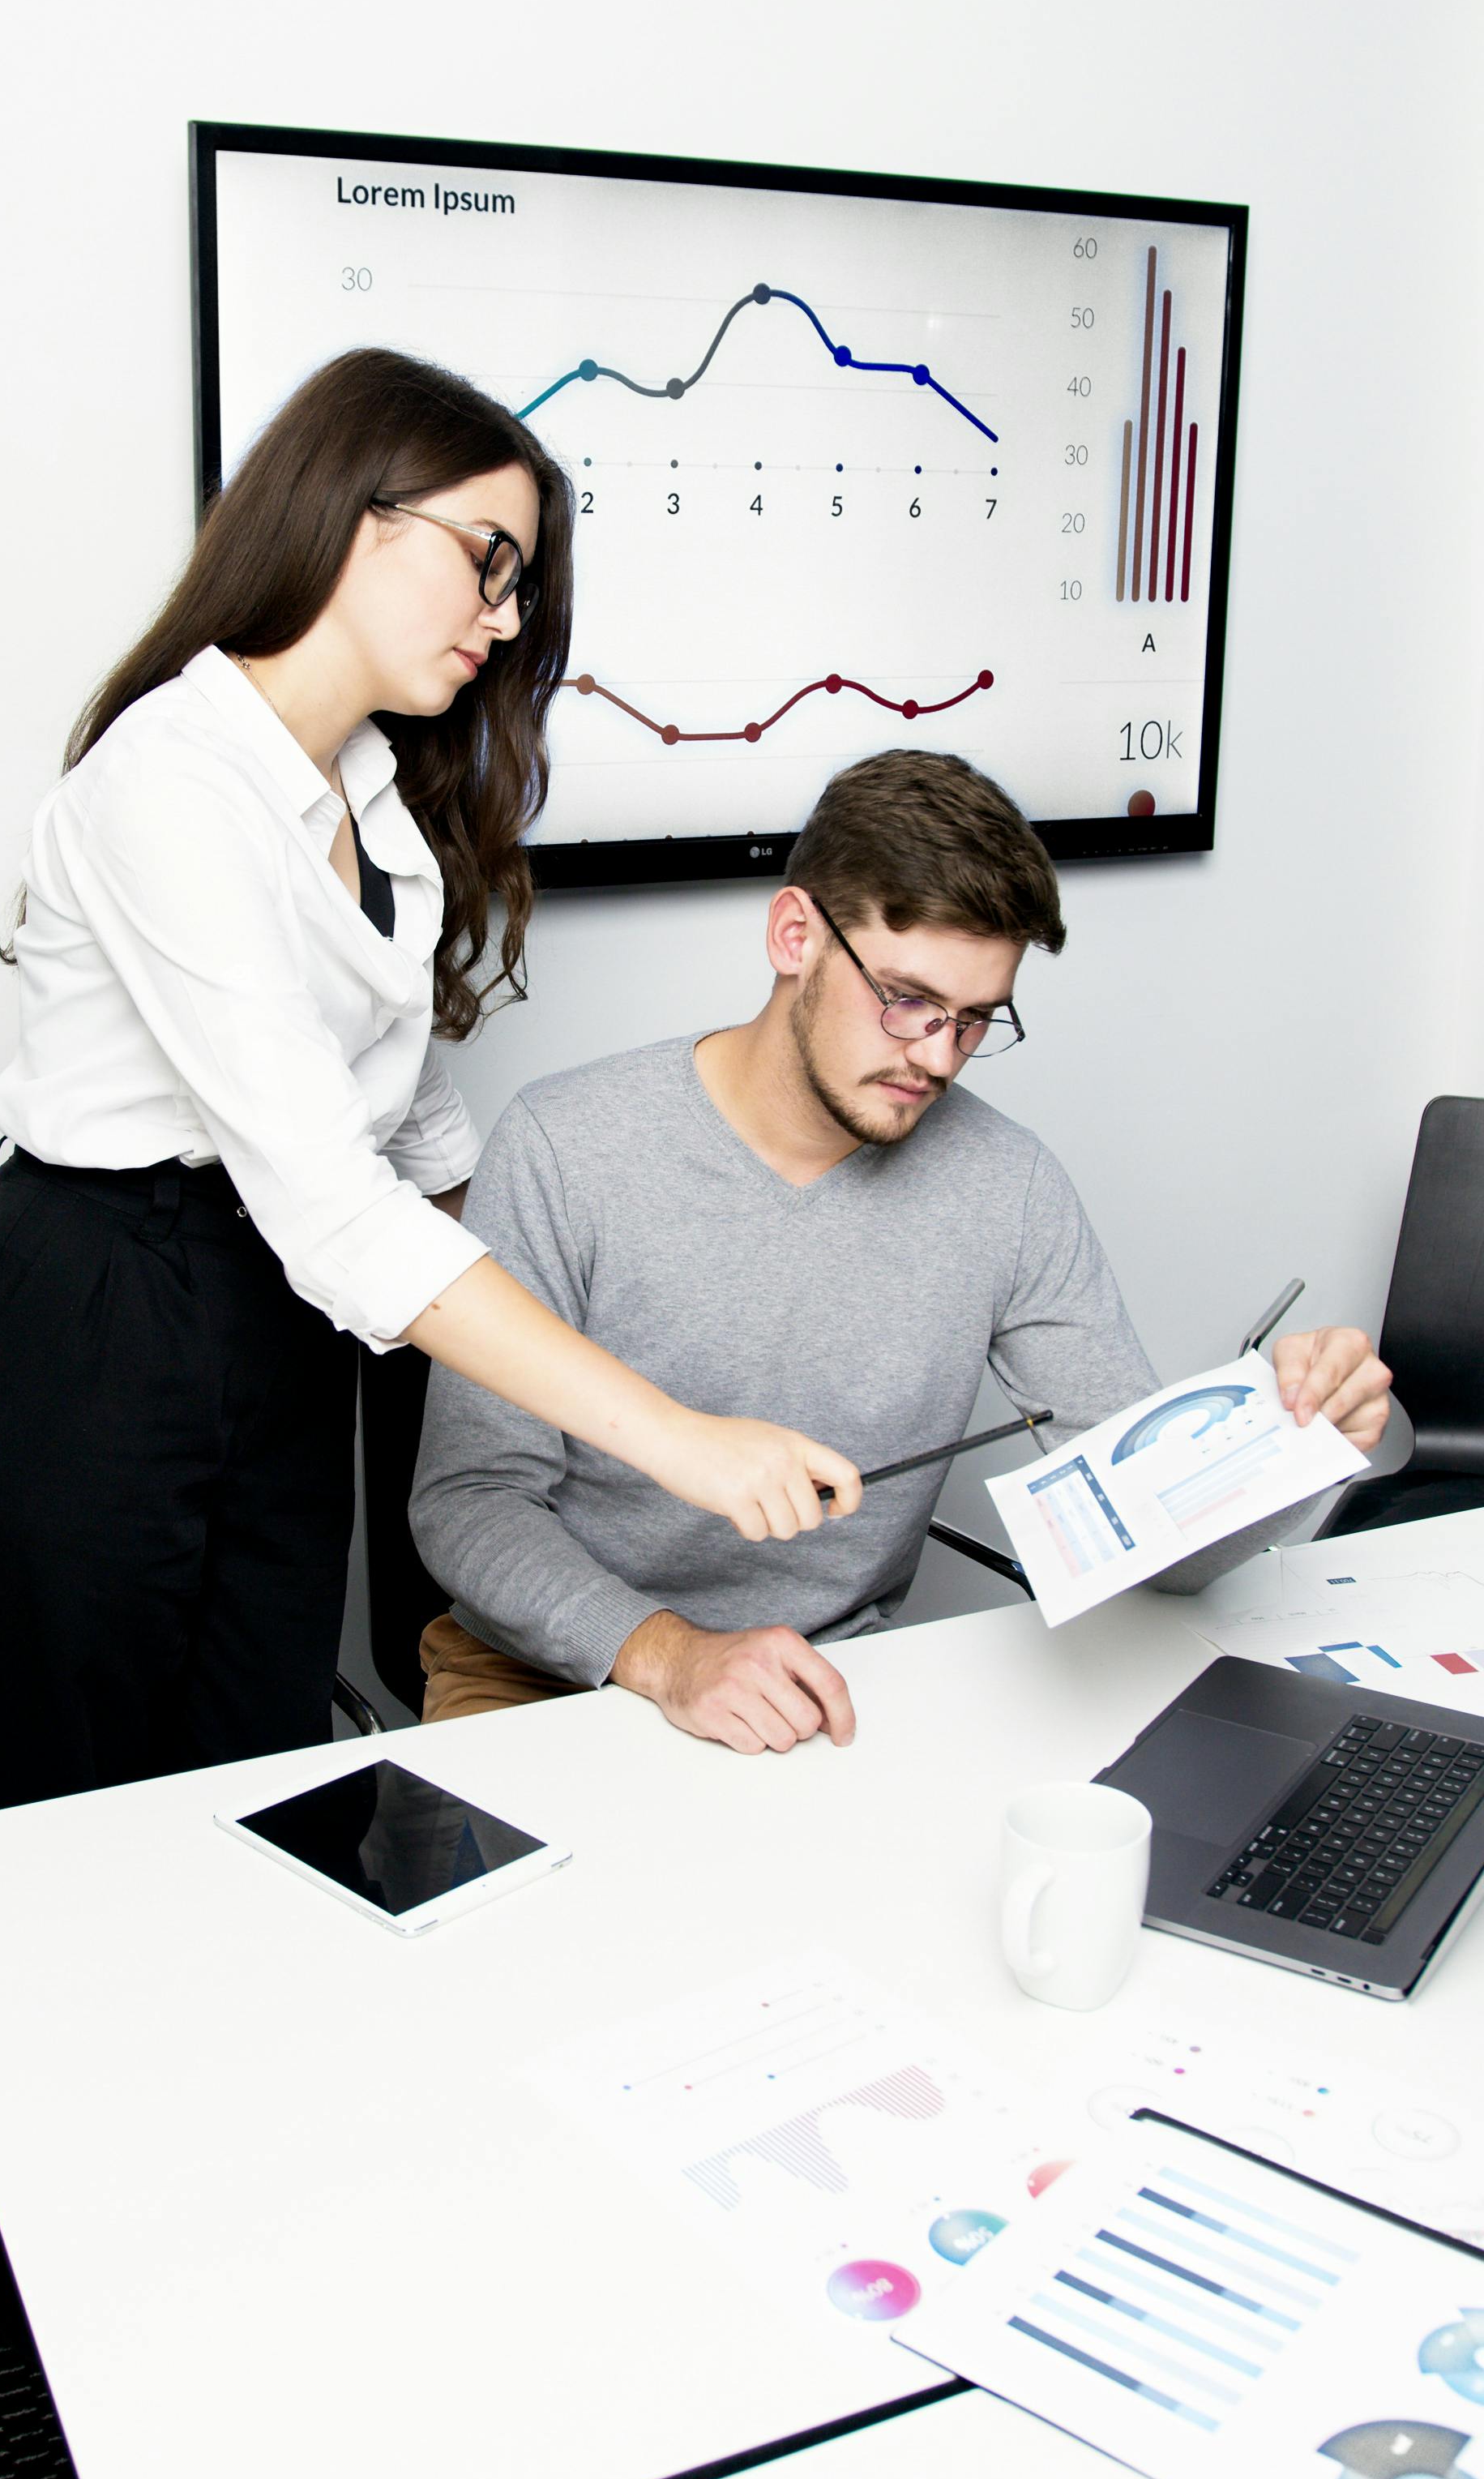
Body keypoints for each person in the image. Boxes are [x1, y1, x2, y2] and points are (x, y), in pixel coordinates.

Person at [0, 346, 860, 2260]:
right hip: (85, 1318)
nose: (501, 619)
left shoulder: (377, 802)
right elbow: (333, 1206)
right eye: (485, 560)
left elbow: (409, 1139)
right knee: (50, 1834)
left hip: (271, 1333)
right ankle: (0, 2205)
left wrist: (591, 1385)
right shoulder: (169, 779)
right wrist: (669, 1434)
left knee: (246, 1784)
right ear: (347, 509)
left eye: (522, 585)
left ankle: (172, 2185)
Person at [409, 747, 1392, 1753]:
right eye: (908, 999)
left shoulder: (1009, 1188)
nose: (936, 1056)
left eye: (974, 1020)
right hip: (548, 1677)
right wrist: (670, 1656)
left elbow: (1156, 1538)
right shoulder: (568, 1145)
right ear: (795, 935)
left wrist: (1292, 1441)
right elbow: (468, 1502)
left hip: (829, 1681)